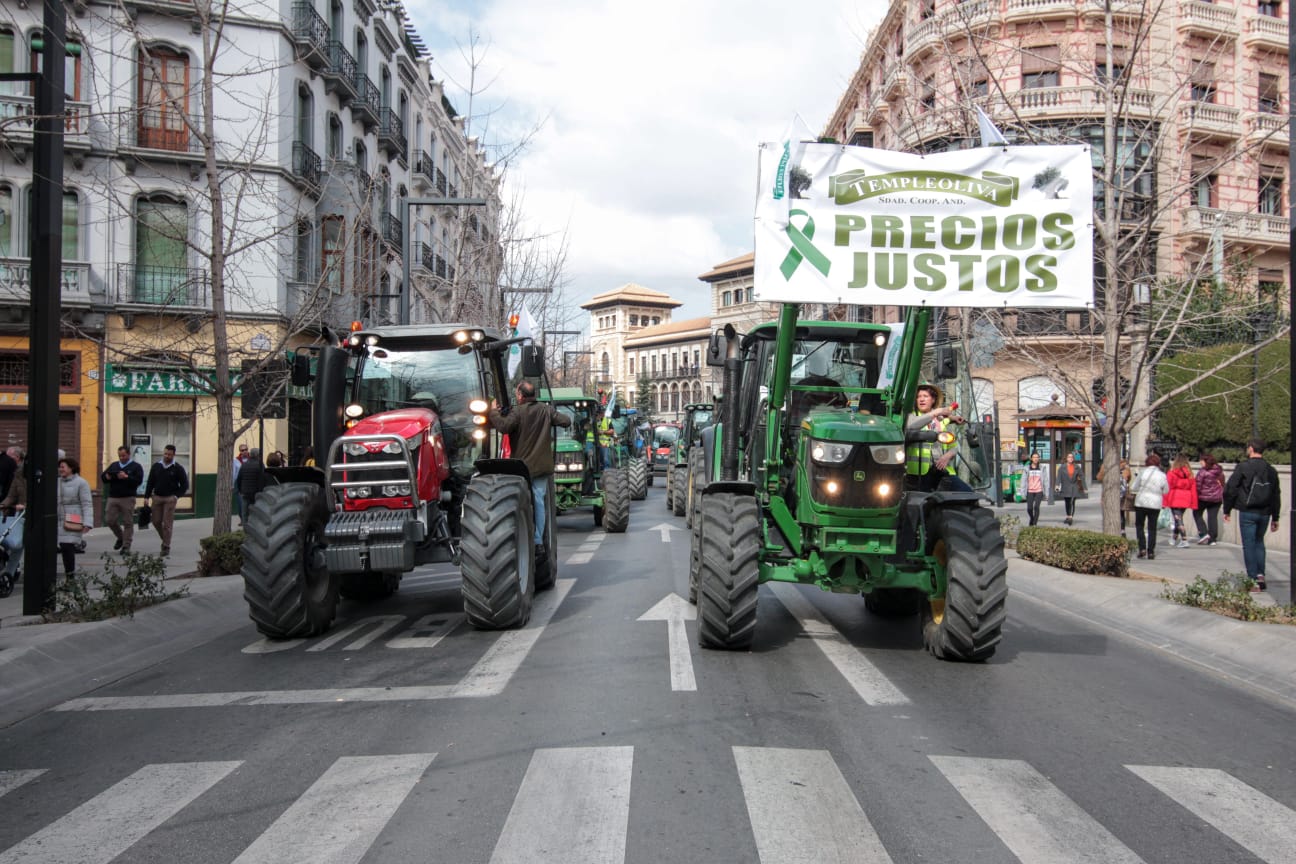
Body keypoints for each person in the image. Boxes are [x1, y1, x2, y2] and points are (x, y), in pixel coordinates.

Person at [488, 380, 572, 562]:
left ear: (520, 395)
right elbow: (566, 421)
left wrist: (493, 411)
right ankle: (537, 540)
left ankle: (523, 536)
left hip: (522, 467)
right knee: (539, 500)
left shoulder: (517, 412)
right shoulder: (545, 410)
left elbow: (503, 427)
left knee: (521, 502)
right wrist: (552, 415)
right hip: (542, 467)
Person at [1223, 438, 1281, 591]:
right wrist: (1276, 517)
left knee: (1248, 545)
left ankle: (1253, 579)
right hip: (1265, 512)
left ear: (1250, 449)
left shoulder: (1243, 467)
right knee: (1259, 542)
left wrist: (1227, 509)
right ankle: (1261, 575)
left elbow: (1231, 489)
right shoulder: (1271, 469)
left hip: (1247, 511)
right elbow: (1276, 494)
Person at [905, 384, 970, 493]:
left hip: (941, 472)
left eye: (925, 396)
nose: (921, 399)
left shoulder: (942, 421)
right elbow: (911, 426)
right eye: (918, 396)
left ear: (933, 399)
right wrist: (936, 412)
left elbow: (953, 447)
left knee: (967, 493)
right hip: (918, 476)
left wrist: (947, 456)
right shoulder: (911, 416)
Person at [144, 444, 189, 557]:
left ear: (174, 455)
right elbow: (150, 482)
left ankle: (166, 546)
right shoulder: (156, 466)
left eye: (169, 454)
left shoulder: (178, 468)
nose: (167, 456)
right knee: (156, 521)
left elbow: (184, 485)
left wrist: (176, 496)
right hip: (157, 497)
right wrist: (146, 497)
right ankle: (165, 538)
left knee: (167, 523)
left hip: (170, 498)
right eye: (165, 453)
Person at [101, 445, 143, 553]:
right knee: (109, 520)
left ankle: (126, 546)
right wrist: (107, 477)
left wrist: (127, 477)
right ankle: (120, 537)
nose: (122, 458)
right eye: (120, 456)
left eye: (124, 455)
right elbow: (104, 477)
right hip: (113, 497)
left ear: (129, 454)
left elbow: (138, 481)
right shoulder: (114, 465)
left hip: (128, 497)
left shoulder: (136, 467)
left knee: (127, 522)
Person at [57, 457, 94, 580]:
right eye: (60, 467)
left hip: (73, 517)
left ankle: (70, 577)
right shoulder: (57, 482)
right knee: (62, 547)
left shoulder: (81, 483)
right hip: (58, 518)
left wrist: (87, 522)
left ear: (71, 468)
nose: (60, 469)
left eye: (63, 467)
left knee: (67, 547)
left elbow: (87, 503)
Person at [1130, 452, 1169, 560]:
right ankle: (1151, 551)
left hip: (1141, 502)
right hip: (1155, 503)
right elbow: (1166, 490)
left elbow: (1134, 487)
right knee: (1152, 527)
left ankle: (1142, 548)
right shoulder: (1162, 475)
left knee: (1139, 526)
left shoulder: (1143, 473)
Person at [0, 446, 26, 587]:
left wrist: (25, 505)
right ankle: (9, 573)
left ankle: (10, 573)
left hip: (26, 513)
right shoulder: (17, 475)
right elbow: (11, 495)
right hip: (15, 513)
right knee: (10, 542)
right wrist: (4, 504)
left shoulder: (30, 476)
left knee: (18, 545)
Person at [1163, 453, 1197, 548]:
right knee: (1178, 518)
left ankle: (1184, 539)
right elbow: (1193, 489)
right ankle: (1174, 538)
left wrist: (1164, 502)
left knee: (1178, 520)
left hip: (1175, 498)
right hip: (1186, 498)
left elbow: (1167, 487)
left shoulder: (1172, 473)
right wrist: (1193, 502)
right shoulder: (1190, 474)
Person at [1193, 453, 1225, 546]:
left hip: (1204, 497)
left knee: (1197, 513)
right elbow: (1223, 483)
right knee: (1212, 517)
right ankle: (1213, 539)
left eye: (1201, 461)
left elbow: (1198, 485)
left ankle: (1203, 533)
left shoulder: (1203, 472)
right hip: (1217, 498)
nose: (1200, 462)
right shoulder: (1219, 470)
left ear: (1205, 461)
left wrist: (1197, 495)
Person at [1056, 451, 1086, 525]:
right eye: (1069, 457)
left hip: (1074, 486)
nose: (1071, 458)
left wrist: (1085, 487)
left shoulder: (1076, 467)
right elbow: (1059, 477)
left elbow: (1082, 476)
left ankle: (1070, 517)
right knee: (1067, 502)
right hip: (1065, 487)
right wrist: (1057, 485)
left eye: (1072, 457)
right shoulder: (1062, 467)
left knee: (1072, 502)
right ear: (1066, 458)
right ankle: (1068, 515)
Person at [236, 447, 268, 517]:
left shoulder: (244, 464)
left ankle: (245, 526)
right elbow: (263, 478)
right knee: (256, 512)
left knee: (245, 512)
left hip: (245, 492)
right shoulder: (260, 464)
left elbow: (239, 478)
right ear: (258, 455)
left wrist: (240, 490)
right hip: (256, 492)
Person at [1022, 451, 1050, 526]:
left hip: (1039, 490)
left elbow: (1046, 481)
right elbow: (1023, 481)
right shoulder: (1026, 468)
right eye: (1034, 457)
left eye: (1037, 457)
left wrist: (1047, 493)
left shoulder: (1042, 468)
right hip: (1030, 491)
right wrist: (1022, 492)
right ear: (1031, 458)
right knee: (1029, 508)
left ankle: (1034, 523)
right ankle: (1032, 518)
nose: (1036, 459)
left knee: (1036, 507)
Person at [233, 443, 250, 522]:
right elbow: (234, 473)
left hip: (249, 482)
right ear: (240, 451)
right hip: (239, 483)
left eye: (246, 449)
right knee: (240, 502)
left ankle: (247, 519)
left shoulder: (251, 459)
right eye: (243, 450)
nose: (245, 451)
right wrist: (232, 485)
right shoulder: (236, 460)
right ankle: (242, 518)